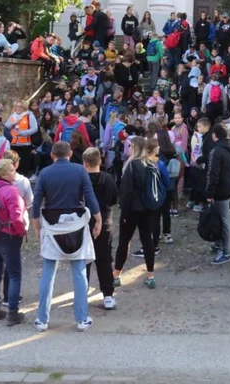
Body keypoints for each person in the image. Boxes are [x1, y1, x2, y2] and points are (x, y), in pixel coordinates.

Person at [31, 140, 102, 332]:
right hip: (76, 225)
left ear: (52, 155)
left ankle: (42, 319)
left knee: (48, 271)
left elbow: (36, 203)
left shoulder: (45, 173)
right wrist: (98, 219)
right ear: (70, 154)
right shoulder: (80, 171)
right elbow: (90, 196)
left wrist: (36, 227)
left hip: (52, 226)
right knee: (79, 271)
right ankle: (82, 318)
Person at [114, 137, 162, 289]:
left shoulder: (131, 165)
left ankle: (116, 274)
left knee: (124, 241)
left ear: (134, 148)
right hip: (148, 208)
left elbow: (127, 190)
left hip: (132, 209)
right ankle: (150, 275)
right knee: (147, 240)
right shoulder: (151, 164)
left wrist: (123, 207)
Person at [0, 159, 27, 326]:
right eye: (10, 170)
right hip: (8, 236)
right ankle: (13, 312)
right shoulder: (10, 191)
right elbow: (16, 217)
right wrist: (21, 231)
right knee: (14, 274)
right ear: (2, 174)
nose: (14, 172)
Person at [82, 147, 118, 310]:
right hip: (105, 222)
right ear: (100, 161)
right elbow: (114, 199)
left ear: (85, 163)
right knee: (105, 260)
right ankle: (108, 295)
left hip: (84, 224)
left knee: (83, 261)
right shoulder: (109, 179)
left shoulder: (81, 180)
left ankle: (82, 293)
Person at [206, 124, 230, 265]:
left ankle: (226, 251)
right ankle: (219, 244)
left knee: (224, 220)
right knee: (220, 218)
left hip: (221, 190)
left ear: (214, 135)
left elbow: (213, 174)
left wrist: (209, 192)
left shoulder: (216, 151)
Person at [6, 100, 39, 177]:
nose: (17, 108)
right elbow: (7, 126)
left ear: (24, 107)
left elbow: (35, 128)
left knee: (23, 165)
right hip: (14, 144)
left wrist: (23, 133)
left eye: (19, 106)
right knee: (13, 164)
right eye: (16, 106)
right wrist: (12, 123)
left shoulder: (29, 115)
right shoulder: (13, 115)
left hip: (25, 145)